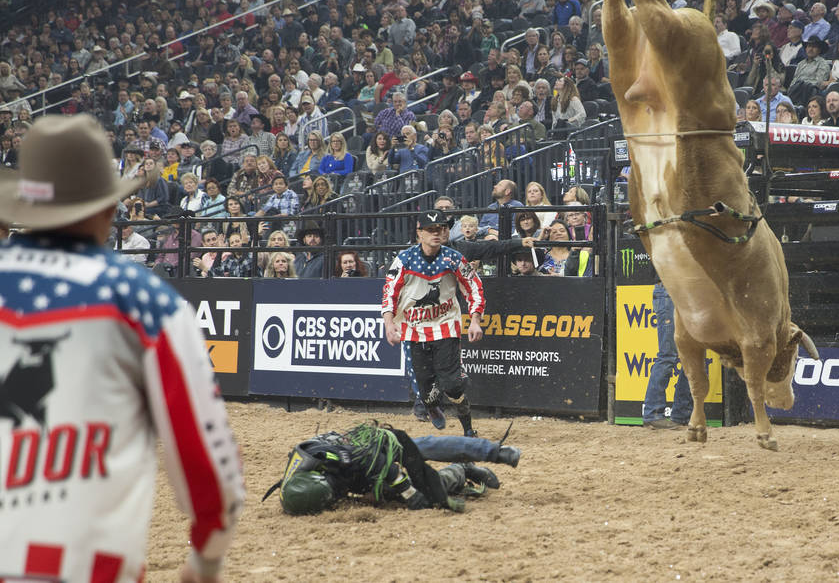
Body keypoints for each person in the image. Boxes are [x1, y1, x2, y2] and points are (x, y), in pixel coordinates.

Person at [0, 115, 243, 582]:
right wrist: (207, 558)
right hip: (81, 567)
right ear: (109, 209)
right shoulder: (146, 304)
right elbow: (206, 462)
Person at [268, 421, 520, 516]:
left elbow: (376, 462)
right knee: (427, 493)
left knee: (428, 448)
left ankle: (494, 453)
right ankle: (460, 472)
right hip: (359, 472)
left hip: (375, 447)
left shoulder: (331, 457)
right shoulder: (295, 494)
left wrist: (408, 493)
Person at [382, 209, 484, 436]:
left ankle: (468, 428)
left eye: (441, 228)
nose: (436, 233)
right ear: (419, 233)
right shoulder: (405, 259)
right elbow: (389, 294)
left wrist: (475, 320)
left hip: (446, 326)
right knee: (426, 391)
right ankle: (431, 406)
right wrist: (389, 324)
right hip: (414, 330)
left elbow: (474, 287)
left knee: (453, 386)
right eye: (430, 229)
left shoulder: (453, 258)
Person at [643, 278, 693, 429]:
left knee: (692, 358)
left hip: (686, 294)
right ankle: (653, 414)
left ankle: (681, 415)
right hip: (670, 290)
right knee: (668, 356)